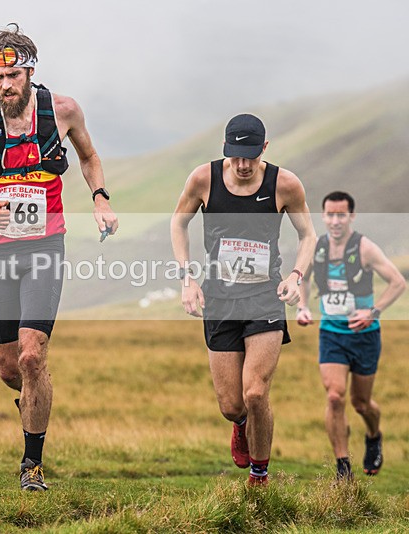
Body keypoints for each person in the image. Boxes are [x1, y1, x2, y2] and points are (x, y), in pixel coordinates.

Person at [0, 24, 118, 491]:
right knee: (8, 368)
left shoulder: (63, 110)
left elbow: (89, 155)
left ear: (30, 71)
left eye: (13, 76)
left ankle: (32, 465)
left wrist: (100, 198)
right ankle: (36, 397)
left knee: (31, 355)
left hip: (45, 245)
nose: (5, 86)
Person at [170, 113, 316, 485]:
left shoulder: (285, 184)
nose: (242, 164)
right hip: (219, 299)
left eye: (250, 156)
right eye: (235, 156)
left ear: (264, 149)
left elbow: (308, 236)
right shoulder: (204, 178)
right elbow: (178, 222)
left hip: (265, 296)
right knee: (232, 405)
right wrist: (188, 277)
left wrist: (296, 276)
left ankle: (259, 474)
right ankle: (241, 424)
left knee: (255, 392)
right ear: (225, 150)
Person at [297, 191, 406, 481]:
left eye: (341, 215)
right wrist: (303, 306)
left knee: (361, 403)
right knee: (334, 397)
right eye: (330, 215)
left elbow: (397, 282)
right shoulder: (317, 248)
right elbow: (302, 279)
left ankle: (373, 435)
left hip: (365, 335)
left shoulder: (365, 248)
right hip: (331, 333)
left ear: (351, 216)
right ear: (323, 216)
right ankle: (343, 467)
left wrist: (374, 310)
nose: (335, 221)